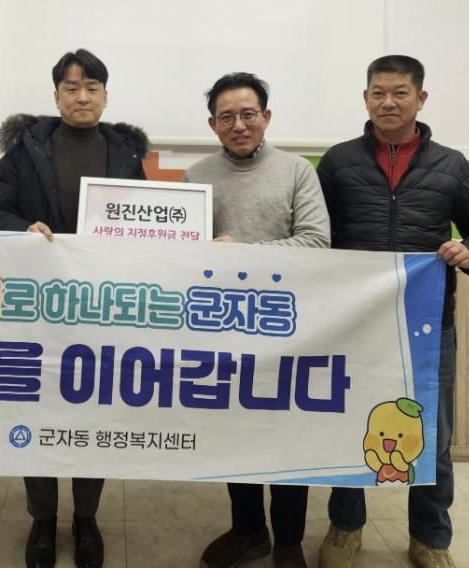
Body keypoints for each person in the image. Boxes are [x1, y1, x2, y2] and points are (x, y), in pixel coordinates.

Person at [0, 48, 148, 568]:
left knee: (95, 412)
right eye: (71, 88)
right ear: (56, 96)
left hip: (103, 308)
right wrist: (23, 228)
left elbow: (147, 226)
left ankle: (86, 518)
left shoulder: (125, 154)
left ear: (105, 95)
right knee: (37, 410)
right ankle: (43, 519)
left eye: (92, 87)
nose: (82, 96)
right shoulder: (25, 149)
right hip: (39, 308)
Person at [317, 55, 469, 568]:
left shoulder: (453, 165)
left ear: (420, 99)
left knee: (433, 437)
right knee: (350, 424)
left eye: (400, 92)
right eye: (378, 93)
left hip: (428, 325)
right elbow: (317, 237)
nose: (388, 102)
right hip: (354, 323)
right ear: (365, 98)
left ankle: (431, 538)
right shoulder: (338, 161)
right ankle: (345, 527)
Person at [184, 72, 330, 568]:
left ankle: (288, 540)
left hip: (289, 326)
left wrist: (243, 251)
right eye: (227, 117)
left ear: (266, 117)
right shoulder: (196, 177)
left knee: (288, 432)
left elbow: (316, 242)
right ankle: (248, 530)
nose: (239, 125)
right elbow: (183, 255)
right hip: (222, 327)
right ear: (213, 124)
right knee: (234, 432)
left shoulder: (297, 171)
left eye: (249, 114)